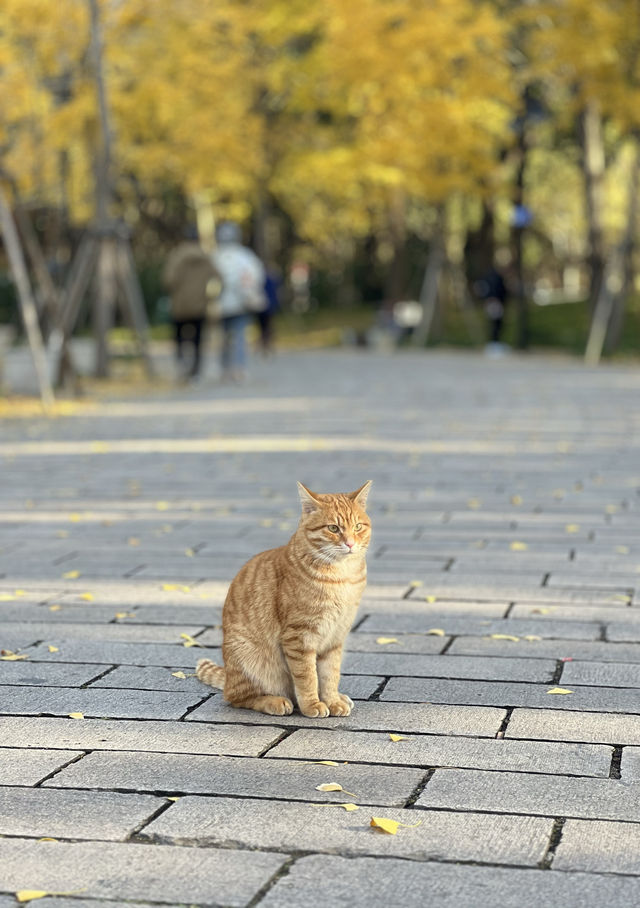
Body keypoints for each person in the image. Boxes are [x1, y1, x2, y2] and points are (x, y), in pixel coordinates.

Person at [211, 221, 266, 382]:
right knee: (240, 336)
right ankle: (240, 368)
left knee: (224, 338)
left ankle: (225, 369)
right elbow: (256, 276)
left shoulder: (215, 256)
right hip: (241, 303)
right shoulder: (246, 256)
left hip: (221, 305)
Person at [163, 229, 220, 382]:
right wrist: (210, 295)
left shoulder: (177, 256)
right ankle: (196, 371)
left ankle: (181, 365)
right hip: (200, 305)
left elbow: (168, 280)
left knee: (179, 336)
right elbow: (219, 279)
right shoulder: (206, 257)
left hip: (180, 305)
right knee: (197, 340)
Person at [473, 265, 509, 356]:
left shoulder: (489, 277)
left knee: (495, 322)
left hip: (492, 301)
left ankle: (495, 343)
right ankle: (493, 344)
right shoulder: (495, 278)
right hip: (494, 301)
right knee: (495, 323)